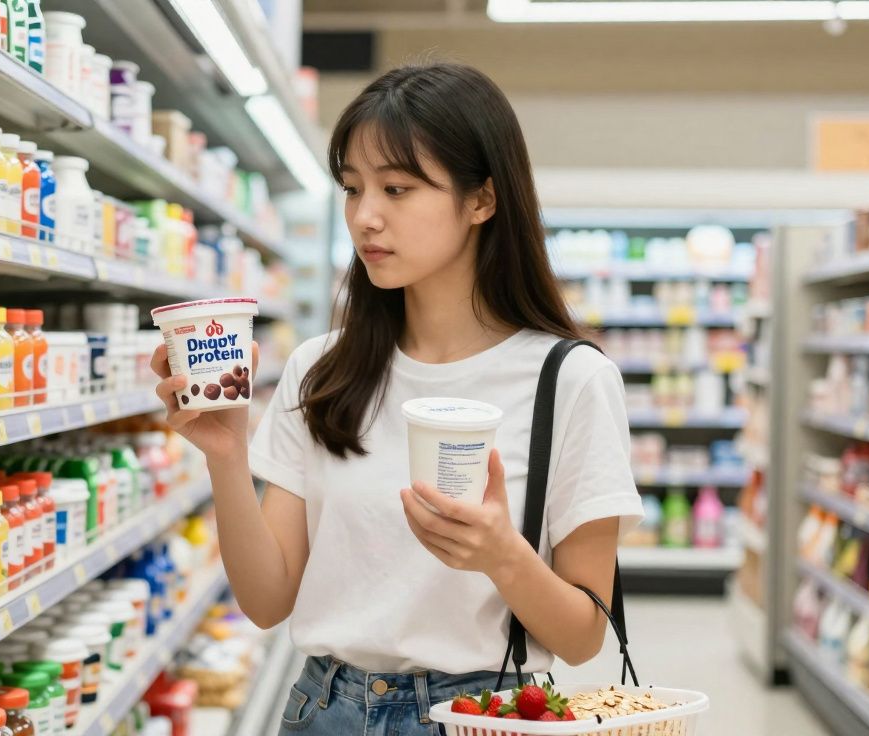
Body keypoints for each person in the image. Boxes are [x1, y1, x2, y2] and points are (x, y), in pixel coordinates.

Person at [150, 62, 643, 735]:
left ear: (482, 200)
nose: (365, 217)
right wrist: (227, 456)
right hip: (323, 712)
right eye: (352, 188)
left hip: (481, 716)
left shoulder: (571, 379)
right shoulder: (320, 370)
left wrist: (502, 553)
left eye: (397, 188)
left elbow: (585, 637)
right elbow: (266, 602)